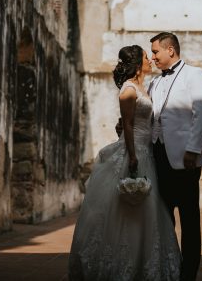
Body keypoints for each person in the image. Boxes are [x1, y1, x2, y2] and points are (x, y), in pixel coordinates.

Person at [68, 45, 181, 281]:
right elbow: (127, 124)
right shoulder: (129, 89)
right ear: (138, 63)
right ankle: (121, 264)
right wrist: (132, 154)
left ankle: (142, 261)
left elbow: (131, 122)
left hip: (146, 150)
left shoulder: (144, 87)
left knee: (146, 208)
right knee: (128, 209)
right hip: (135, 152)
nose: (150, 59)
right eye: (145, 57)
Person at [148, 32, 202, 281]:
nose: (152, 58)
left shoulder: (194, 74)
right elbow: (154, 118)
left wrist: (193, 149)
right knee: (162, 217)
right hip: (157, 155)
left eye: (155, 52)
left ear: (170, 50)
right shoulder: (154, 82)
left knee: (188, 217)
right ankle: (168, 265)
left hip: (185, 156)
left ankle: (188, 273)